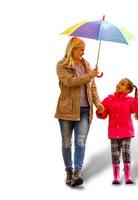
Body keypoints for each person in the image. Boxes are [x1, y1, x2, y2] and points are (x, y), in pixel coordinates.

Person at [55, 37, 104, 187]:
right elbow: (70, 82)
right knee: (66, 143)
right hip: (67, 111)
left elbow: (92, 87)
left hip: (85, 110)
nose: (84, 52)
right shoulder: (62, 65)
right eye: (81, 49)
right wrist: (90, 75)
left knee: (80, 143)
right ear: (73, 49)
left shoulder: (86, 64)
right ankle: (69, 171)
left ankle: (77, 173)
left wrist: (97, 103)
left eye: (84, 49)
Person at [96, 78, 138, 184]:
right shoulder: (109, 99)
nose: (118, 84)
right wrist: (100, 111)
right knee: (115, 154)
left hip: (126, 132)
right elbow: (103, 113)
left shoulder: (130, 100)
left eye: (122, 84)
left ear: (127, 90)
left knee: (126, 153)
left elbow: (136, 109)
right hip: (113, 133)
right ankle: (116, 176)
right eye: (119, 82)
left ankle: (127, 176)